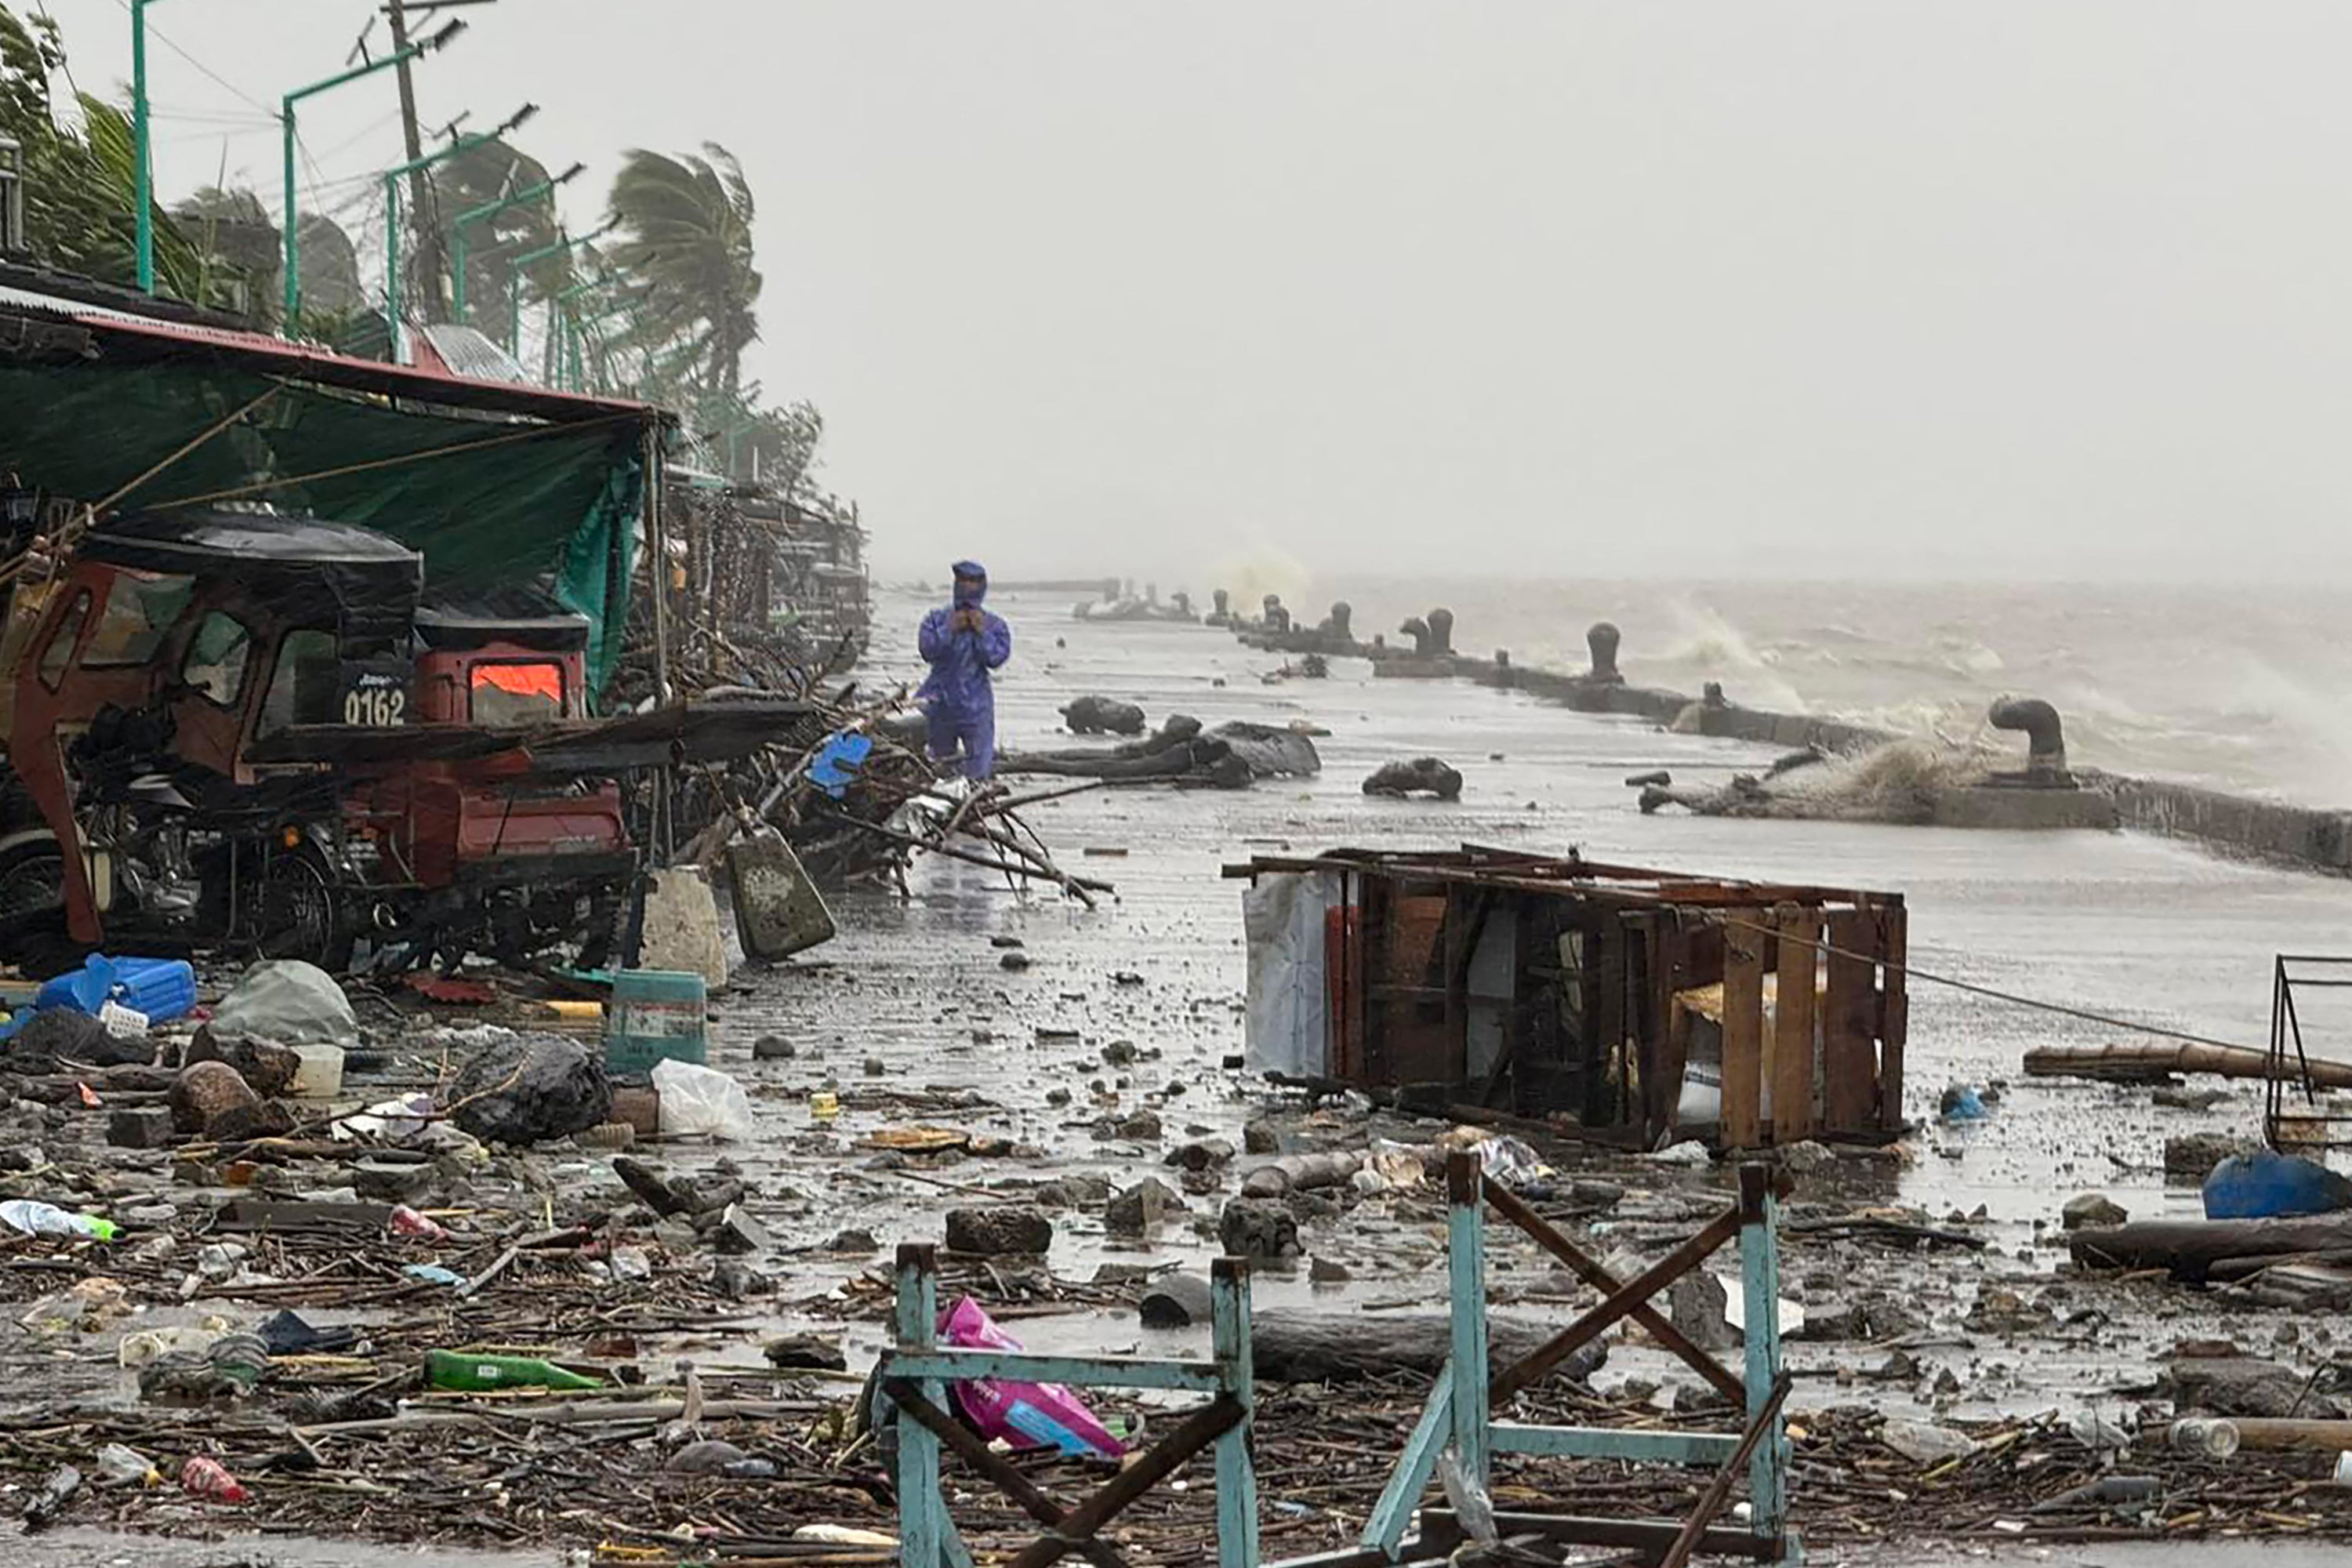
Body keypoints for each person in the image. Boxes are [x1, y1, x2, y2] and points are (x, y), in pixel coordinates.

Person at [917, 560, 1012, 779]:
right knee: (938, 768)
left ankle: (973, 805)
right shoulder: (936, 619)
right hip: (939, 702)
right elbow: (927, 651)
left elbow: (996, 659)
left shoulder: (995, 625)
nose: (967, 586)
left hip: (976, 706)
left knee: (978, 770)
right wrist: (949, 629)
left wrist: (981, 632)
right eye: (962, 580)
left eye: (973, 581)